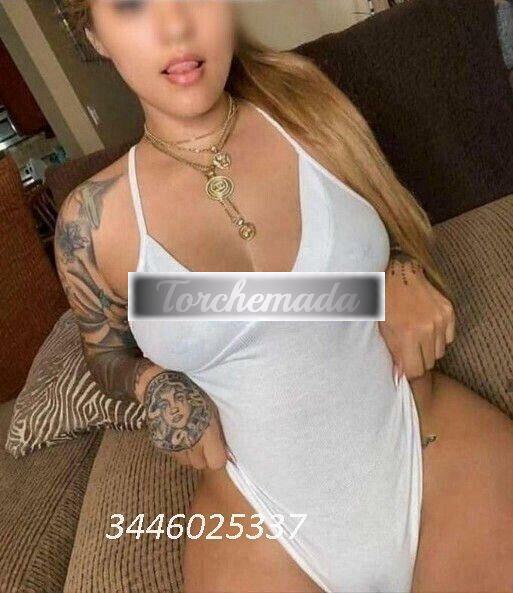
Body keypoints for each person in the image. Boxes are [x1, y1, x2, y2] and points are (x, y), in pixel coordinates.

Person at [54, 1, 513, 592]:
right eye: (132, 3)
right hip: (261, 531)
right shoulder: (92, 222)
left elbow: (393, 223)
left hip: (432, 455)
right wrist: (152, 385)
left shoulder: (305, 107)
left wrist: (401, 270)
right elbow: (105, 353)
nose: (176, 25)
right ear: (95, 34)